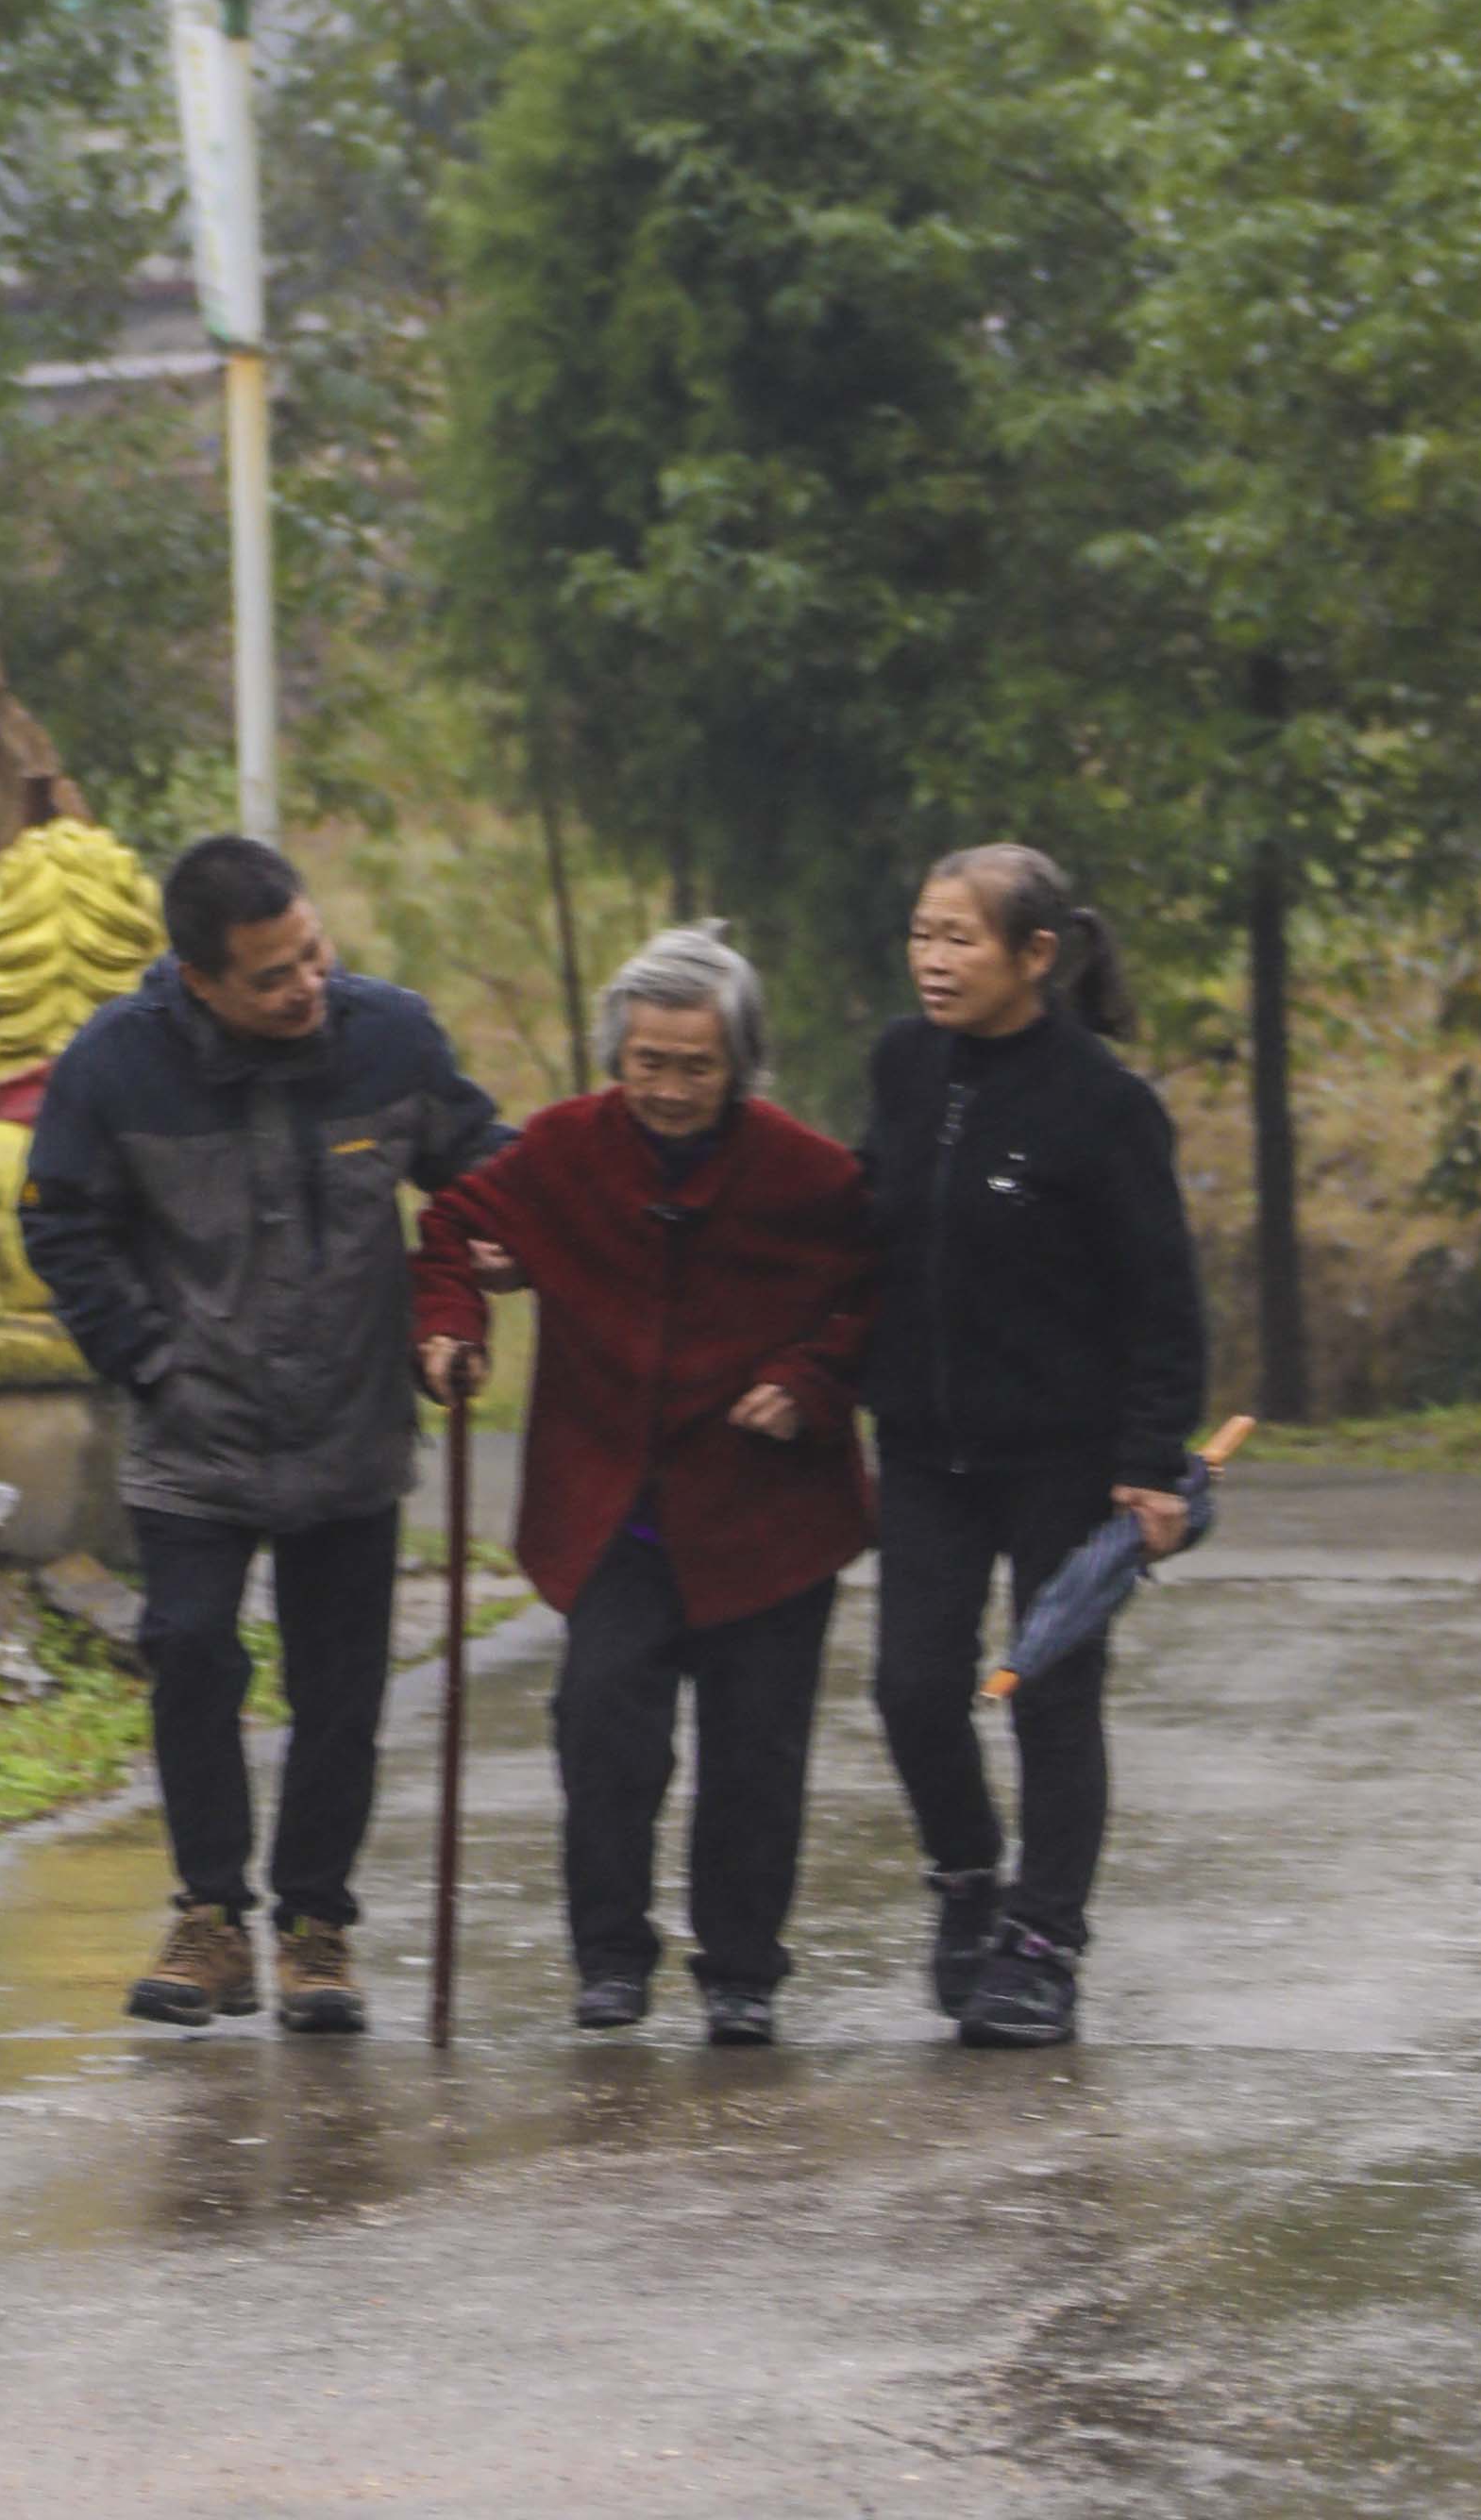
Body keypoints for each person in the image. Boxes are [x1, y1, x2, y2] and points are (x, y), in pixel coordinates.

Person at [19, 831, 507, 2037]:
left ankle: (316, 1927)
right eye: (273, 976)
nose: (306, 988)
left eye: (312, 955)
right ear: (200, 980)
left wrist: (479, 1275)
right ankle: (209, 1917)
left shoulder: (390, 1036)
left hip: (349, 1422)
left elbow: (483, 1175)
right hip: (196, 1429)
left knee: (338, 1687)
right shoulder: (113, 1067)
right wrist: (148, 1357)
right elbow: (61, 1226)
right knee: (188, 1652)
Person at [412, 923, 873, 2047]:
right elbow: (451, 1228)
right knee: (602, 1731)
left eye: (694, 1067)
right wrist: (449, 1333)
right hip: (615, 1506)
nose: (667, 1090)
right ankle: (610, 1961)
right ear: (615, 1058)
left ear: (740, 1067)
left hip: (765, 1515)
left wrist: (807, 1380)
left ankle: (742, 1972)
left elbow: (877, 1291)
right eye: (646, 1063)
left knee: (754, 1752)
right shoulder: (566, 1149)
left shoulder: (807, 1174)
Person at [862, 839, 1208, 2052]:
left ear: (1036, 955)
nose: (933, 959)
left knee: (1050, 1697)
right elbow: (859, 1225)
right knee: (910, 1688)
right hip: (921, 1450)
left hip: (1065, 1457)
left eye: (959, 938)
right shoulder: (903, 1068)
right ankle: (967, 1881)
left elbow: (1163, 1301)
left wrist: (1150, 1465)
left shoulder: (1105, 1106)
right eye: (922, 933)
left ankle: (1043, 1944)